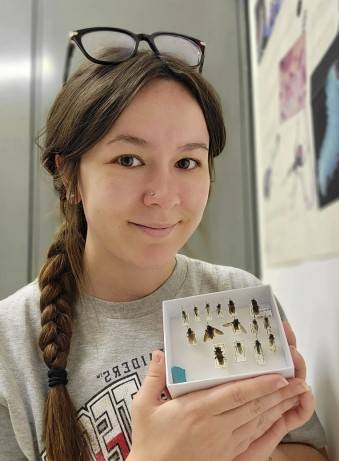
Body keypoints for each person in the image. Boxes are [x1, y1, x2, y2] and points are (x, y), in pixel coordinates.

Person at [0, 30, 328, 461]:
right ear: (69, 175)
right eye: (129, 160)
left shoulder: (237, 299)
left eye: (187, 162)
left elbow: (309, 450)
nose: (164, 195)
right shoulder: (11, 342)